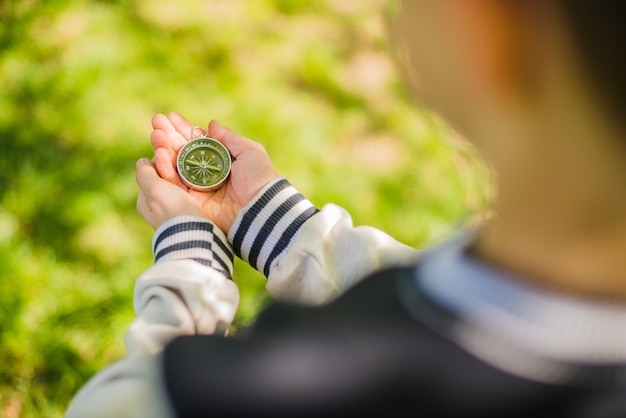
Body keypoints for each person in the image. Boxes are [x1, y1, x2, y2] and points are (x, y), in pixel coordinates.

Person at [66, 1, 626, 417]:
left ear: (488, 31)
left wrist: (190, 267)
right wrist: (274, 225)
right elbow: (426, 293)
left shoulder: (314, 387)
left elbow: (120, 406)